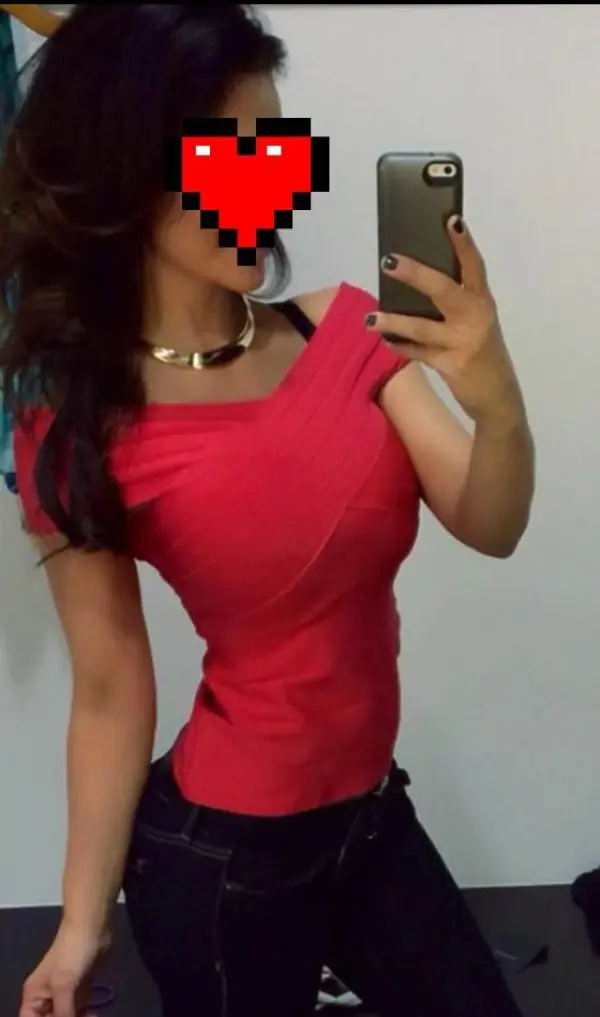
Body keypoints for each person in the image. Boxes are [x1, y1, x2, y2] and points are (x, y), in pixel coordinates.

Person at [0, 6, 535, 1017]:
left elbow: (491, 523)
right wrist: (78, 927)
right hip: (223, 860)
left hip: (372, 820)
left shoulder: (346, 328)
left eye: (278, 150)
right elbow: (110, 690)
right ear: (126, 177)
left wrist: (496, 398)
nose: (271, 188)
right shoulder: (74, 426)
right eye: (229, 155)